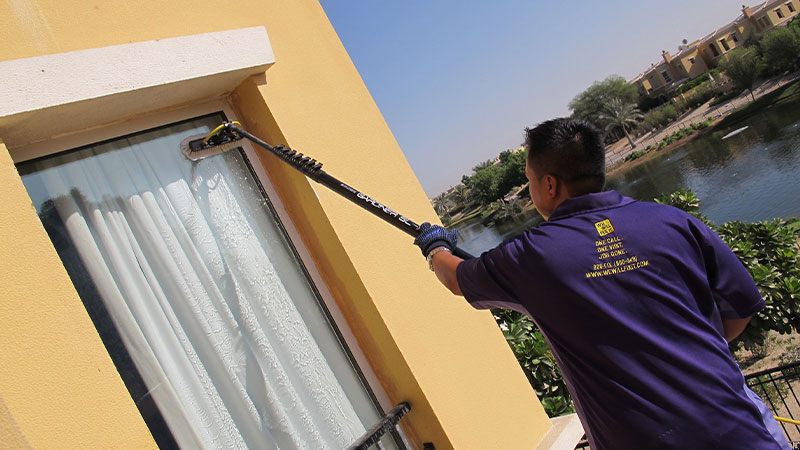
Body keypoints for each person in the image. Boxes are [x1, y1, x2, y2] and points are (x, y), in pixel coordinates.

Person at [414, 118, 790, 450]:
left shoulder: (531, 256)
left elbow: (456, 277)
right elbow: (740, 311)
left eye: (529, 181)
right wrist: (684, 351)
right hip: (740, 429)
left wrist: (434, 247)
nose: (530, 191)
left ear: (549, 184)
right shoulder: (673, 221)